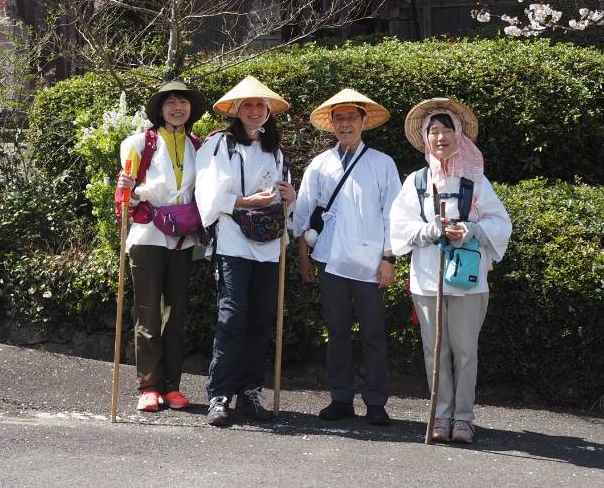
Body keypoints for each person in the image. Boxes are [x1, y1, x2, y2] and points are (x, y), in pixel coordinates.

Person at [388, 97, 512, 445]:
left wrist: (470, 229)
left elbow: (500, 223)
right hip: (427, 279)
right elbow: (399, 226)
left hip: (468, 281)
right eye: (434, 131)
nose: (440, 137)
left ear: (459, 135)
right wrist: (431, 230)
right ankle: (440, 415)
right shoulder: (416, 182)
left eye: (446, 130)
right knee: (435, 350)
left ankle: (464, 418)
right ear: (425, 139)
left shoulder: (475, 180)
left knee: (465, 350)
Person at [292, 88, 400, 426]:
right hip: (330, 258)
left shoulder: (382, 163)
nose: (344, 124)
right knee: (337, 331)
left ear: (363, 121)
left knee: (373, 333)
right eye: (338, 118)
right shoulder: (320, 164)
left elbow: (393, 215)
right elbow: (304, 212)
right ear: (332, 124)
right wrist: (304, 256)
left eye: (351, 117)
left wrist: (389, 259)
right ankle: (340, 397)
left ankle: (376, 401)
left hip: (371, 260)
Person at [195, 74, 296, 427]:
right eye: (248, 105)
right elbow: (207, 194)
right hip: (233, 242)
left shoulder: (275, 151)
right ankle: (219, 395)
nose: (254, 110)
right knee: (232, 316)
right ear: (237, 110)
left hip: (268, 246)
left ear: (268, 111)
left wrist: (290, 197)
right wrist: (246, 201)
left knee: (261, 317)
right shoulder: (219, 145)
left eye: (259, 105)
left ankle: (250, 392)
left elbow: (284, 202)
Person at [115, 79, 207, 413]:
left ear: (190, 109)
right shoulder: (140, 143)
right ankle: (149, 386)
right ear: (160, 109)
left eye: (183, 102)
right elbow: (125, 193)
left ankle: (172, 386)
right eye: (170, 102)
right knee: (148, 313)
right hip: (148, 236)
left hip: (182, 239)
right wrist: (127, 187)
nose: (177, 108)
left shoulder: (198, 146)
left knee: (176, 314)